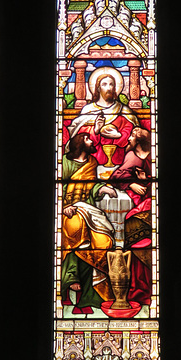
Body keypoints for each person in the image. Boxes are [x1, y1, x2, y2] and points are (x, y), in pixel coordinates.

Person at [61, 132, 117, 313]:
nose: (92, 141)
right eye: (87, 138)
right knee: (76, 231)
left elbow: (91, 186)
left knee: (102, 242)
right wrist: (64, 207)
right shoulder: (64, 162)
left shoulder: (92, 163)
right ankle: (70, 280)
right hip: (67, 210)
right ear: (79, 143)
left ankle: (88, 297)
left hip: (88, 209)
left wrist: (103, 188)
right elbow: (57, 188)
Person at [110, 126, 152, 305]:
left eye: (132, 137)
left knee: (138, 228)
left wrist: (144, 181)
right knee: (132, 228)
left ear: (139, 140)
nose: (128, 140)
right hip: (137, 202)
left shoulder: (151, 156)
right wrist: (131, 185)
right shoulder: (132, 156)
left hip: (149, 201)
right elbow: (115, 176)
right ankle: (137, 287)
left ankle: (145, 287)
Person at [67, 68, 139, 166]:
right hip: (93, 160)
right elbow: (78, 137)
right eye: (104, 84)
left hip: (120, 160)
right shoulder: (88, 110)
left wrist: (120, 136)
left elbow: (131, 130)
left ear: (115, 88)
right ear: (97, 88)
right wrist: (95, 130)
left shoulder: (123, 110)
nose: (109, 88)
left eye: (111, 84)